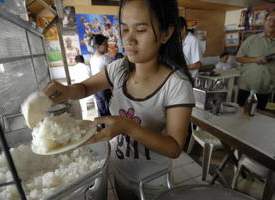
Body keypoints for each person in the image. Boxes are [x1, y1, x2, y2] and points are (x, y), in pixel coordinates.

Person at [43, 0, 194, 199]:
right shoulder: (119, 69)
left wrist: (127, 126)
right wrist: (68, 90)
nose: (129, 39)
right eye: (124, 29)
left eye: (140, 30)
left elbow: (174, 147)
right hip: (121, 173)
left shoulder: (176, 85)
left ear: (166, 33)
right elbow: (86, 87)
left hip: (152, 184)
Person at [236, 9, 275, 110]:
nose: (272, 22)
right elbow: (239, 58)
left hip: (265, 89)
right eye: (269, 19)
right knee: (239, 118)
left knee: (258, 120)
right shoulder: (251, 39)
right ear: (264, 21)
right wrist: (255, 59)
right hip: (246, 88)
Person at [90, 34, 112, 116]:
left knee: (101, 111)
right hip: (105, 88)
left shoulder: (92, 58)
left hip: (95, 88)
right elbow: (114, 72)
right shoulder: (105, 58)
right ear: (98, 46)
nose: (107, 46)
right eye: (105, 44)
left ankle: (102, 127)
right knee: (109, 111)